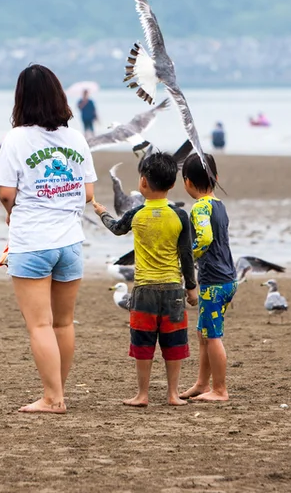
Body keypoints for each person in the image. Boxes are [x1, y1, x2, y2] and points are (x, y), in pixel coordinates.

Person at [0, 65, 97, 414]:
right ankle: (57, 392)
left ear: (21, 98)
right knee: (63, 323)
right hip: (70, 241)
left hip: (32, 240)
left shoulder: (16, 138)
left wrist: (12, 211)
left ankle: (53, 398)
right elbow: (88, 193)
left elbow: (6, 193)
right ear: (58, 96)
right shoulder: (76, 138)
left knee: (39, 324)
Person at [94, 151, 197, 407]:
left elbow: (116, 228)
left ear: (142, 182)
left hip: (143, 292)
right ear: (172, 183)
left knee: (143, 344)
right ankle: (173, 394)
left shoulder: (136, 214)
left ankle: (142, 395)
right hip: (173, 290)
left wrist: (102, 213)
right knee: (174, 344)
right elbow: (186, 254)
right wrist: (191, 287)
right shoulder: (180, 216)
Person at [178, 153, 235, 402]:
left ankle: (220, 389)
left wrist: (189, 257)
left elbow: (205, 238)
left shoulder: (200, 207)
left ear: (187, 182)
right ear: (216, 178)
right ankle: (202, 384)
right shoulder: (219, 204)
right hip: (227, 277)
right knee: (203, 334)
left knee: (212, 336)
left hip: (214, 281)